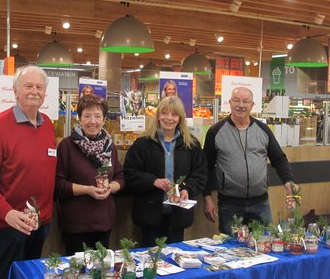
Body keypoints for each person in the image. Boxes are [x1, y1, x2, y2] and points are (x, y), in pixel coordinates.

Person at [0, 65, 57, 279]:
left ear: (45, 93)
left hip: (40, 223)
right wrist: (7, 213)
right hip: (10, 224)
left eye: (39, 87)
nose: (34, 91)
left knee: (31, 275)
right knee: (10, 275)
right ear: (15, 91)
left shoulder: (47, 125)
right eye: (28, 86)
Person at [202, 87, 295, 235]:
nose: (241, 105)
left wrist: (288, 181)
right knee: (231, 250)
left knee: (265, 245)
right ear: (230, 103)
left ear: (252, 105)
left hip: (261, 204)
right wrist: (207, 198)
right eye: (237, 100)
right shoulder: (215, 132)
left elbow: (279, 159)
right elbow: (205, 167)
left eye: (246, 101)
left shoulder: (263, 130)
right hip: (229, 205)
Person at [123, 96, 207, 247]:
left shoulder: (191, 144)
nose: (169, 118)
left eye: (174, 114)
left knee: (175, 259)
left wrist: (188, 189)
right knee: (151, 259)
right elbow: (129, 173)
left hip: (178, 215)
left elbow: (200, 174)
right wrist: (153, 181)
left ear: (180, 118)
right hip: (149, 214)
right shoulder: (143, 143)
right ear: (158, 116)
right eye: (164, 113)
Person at [55, 94, 124, 255]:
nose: (92, 121)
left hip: (103, 222)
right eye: (87, 116)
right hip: (75, 225)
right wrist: (87, 190)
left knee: (100, 269)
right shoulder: (67, 146)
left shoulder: (110, 146)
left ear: (104, 119)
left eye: (97, 116)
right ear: (79, 118)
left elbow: (120, 177)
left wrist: (111, 187)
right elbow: (58, 184)